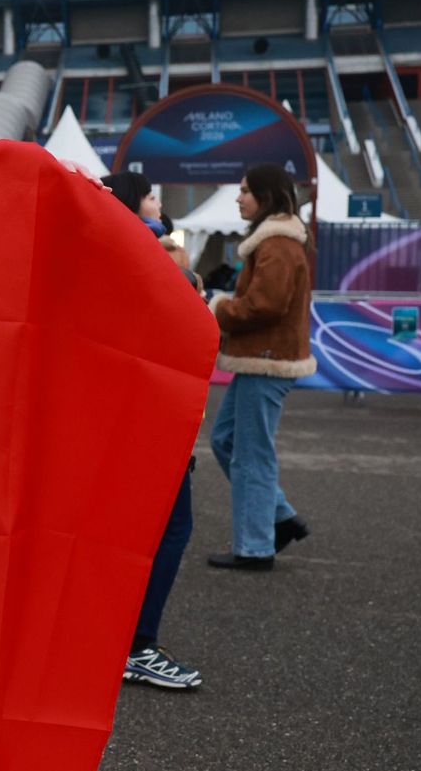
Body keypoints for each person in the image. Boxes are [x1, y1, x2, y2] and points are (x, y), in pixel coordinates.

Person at [103, 172, 203, 690]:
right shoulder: (151, 254)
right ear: (132, 205)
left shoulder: (102, 249)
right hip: (152, 410)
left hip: (121, 409)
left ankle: (115, 639)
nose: (159, 202)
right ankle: (137, 645)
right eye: (150, 195)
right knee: (171, 524)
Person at [206, 164, 316, 570]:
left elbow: (264, 306)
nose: (239, 197)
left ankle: (255, 548)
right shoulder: (276, 242)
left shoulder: (278, 245)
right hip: (261, 360)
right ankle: (280, 517)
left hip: (266, 361)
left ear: (267, 196)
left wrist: (218, 308)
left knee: (251, 454)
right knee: (226, 440)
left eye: (246, 191)